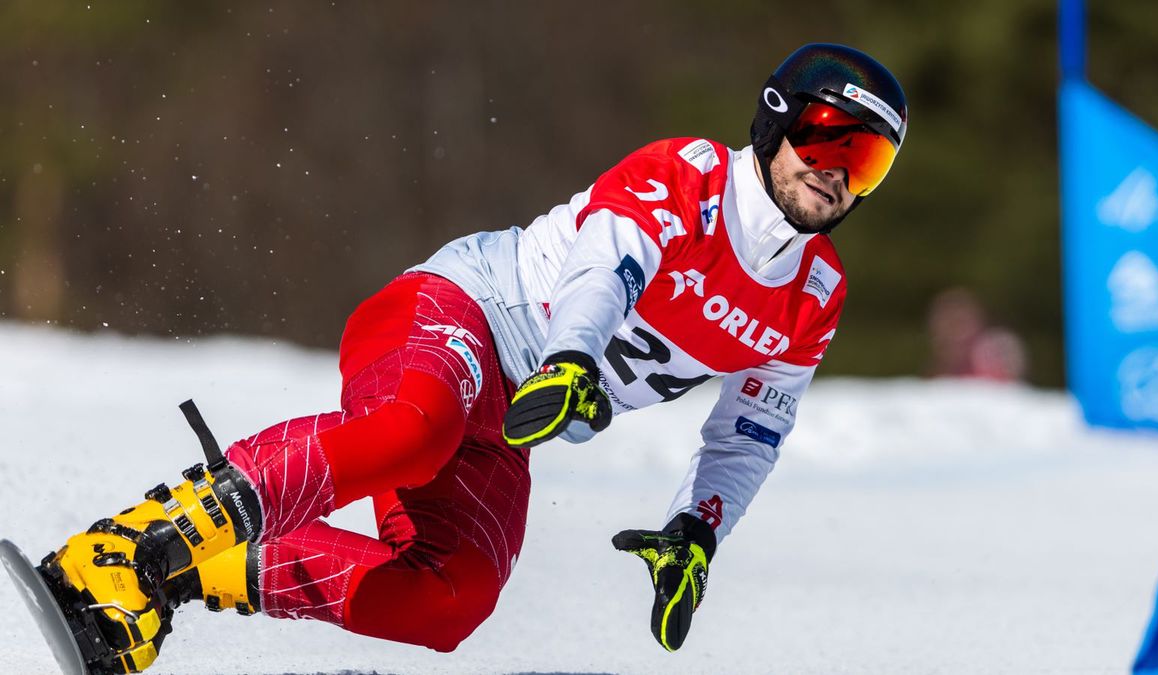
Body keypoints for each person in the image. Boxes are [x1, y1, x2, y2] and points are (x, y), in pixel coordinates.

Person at [34, 43, 907, 673]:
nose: (835, 173)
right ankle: (121, 547)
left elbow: (751, 430)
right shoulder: (688, 176)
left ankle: (176, 575)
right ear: (777, 119)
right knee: (415, 430)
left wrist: (697, 530)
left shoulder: (813, 295)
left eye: (864, 161)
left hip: (513, 421)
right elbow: (606, 268)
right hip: (460, 315)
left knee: (454, 598)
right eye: (826, 139)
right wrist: (572, 358)